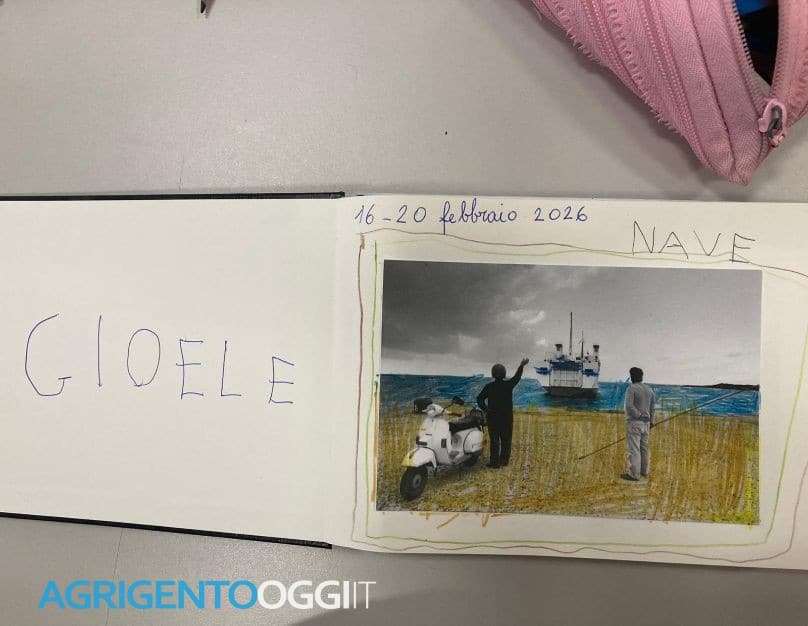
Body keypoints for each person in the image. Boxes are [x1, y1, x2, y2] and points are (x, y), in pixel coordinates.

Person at [477, 358, 529, 468]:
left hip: (493, 418)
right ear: (504, 373)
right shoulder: (508, 385)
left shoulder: (489, 387)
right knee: (506, 440)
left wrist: (486, 409)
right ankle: (504, 461)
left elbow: (479, 399)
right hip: (506, 418)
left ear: (493, 374)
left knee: (494, 441)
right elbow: (517, 377)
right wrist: (521, 366)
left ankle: (494, 462)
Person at [621, 367, 655, 481]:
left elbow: (629, 406)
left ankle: (634, 474)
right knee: (644, 448)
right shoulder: (649, 389)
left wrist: (639, 415)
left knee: (634, 449)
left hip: (635, 422)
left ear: (632, 376)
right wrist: (652, 421)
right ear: (641, 376)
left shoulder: (631, 388)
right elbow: (652, 408)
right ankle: (644, 471)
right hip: (646, 424)